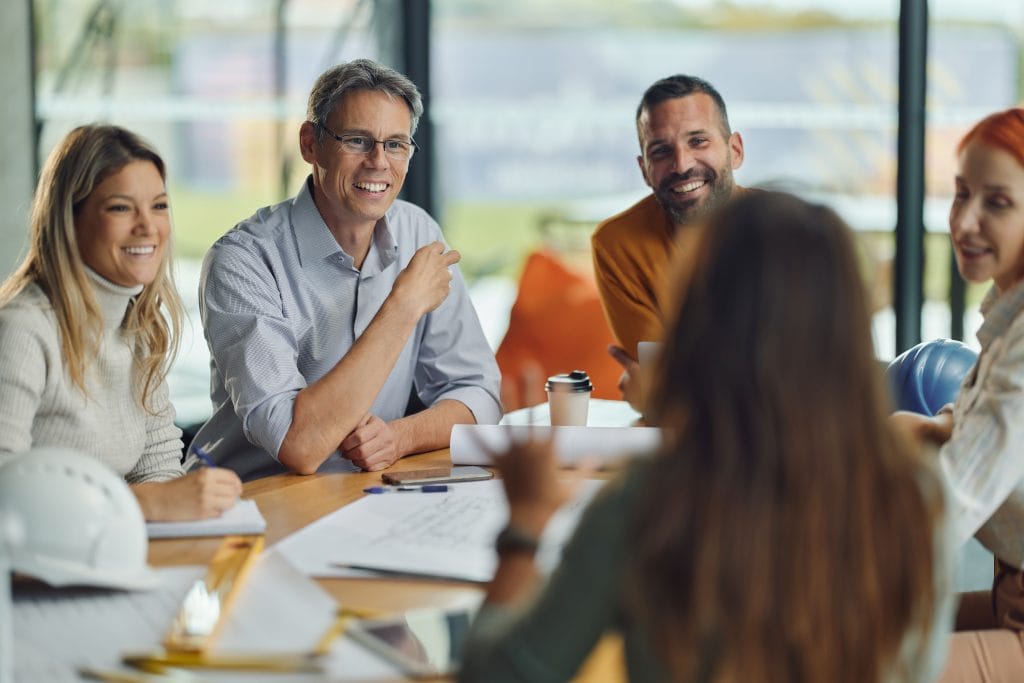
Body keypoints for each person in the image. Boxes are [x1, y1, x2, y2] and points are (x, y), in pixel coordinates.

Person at [461, 191, 952, 682]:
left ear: (699, 322)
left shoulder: (647, 504)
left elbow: (497, 676)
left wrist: (524, 525)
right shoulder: (918, 495)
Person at [191, 59, 501, 480]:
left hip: (360, 495)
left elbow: (479, 394)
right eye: (357, 141)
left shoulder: (418, 232)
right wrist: (403, 305)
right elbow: (297, 444)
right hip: (248, 504)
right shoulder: (242, 262)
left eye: (396, 144)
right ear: (309, 144)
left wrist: (399, 438)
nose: (378, 162)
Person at [0, 124, 241, 521]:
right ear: (69, 219)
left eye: (159, 206)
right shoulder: (23, 332)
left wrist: (180, 502)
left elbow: (158, 468)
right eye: (121, 207)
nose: (147, 226)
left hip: (113, 553)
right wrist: (149, 504)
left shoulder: (140, 329)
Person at [891, 108, 1024, 682]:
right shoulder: (1007, 312)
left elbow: (952, 501)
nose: (965, 223)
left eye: (997, 202)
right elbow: (984, 421)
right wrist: (921, 427)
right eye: (961, 194)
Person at [591, 74, 747, 410]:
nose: (681, 164)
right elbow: (661, 382)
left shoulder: (787, 234)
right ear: (645, 169)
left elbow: (800, 377)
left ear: (734, 150)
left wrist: (665, 391)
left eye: (698, 141)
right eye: (661, 151)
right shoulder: (618, 244)